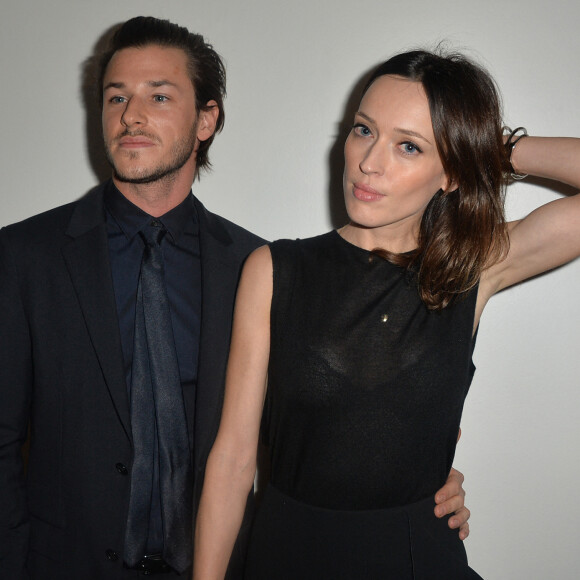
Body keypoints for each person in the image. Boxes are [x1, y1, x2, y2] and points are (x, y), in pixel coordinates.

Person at [0, 18, 470, 580]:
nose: (130, 115)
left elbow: (321, 423)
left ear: (207, 118)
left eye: (159, 95)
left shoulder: (258, 268)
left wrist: (419, 484)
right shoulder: (25, 256)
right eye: (117, 95)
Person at [193, 48, 580, 579]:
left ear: (449, 174)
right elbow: (234, 459)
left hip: (417, 559)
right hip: (288, 555)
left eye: (409, 146)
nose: (370, 162)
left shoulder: (474, 270)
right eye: (362, 130)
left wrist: (492, 148)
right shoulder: (274, 269)